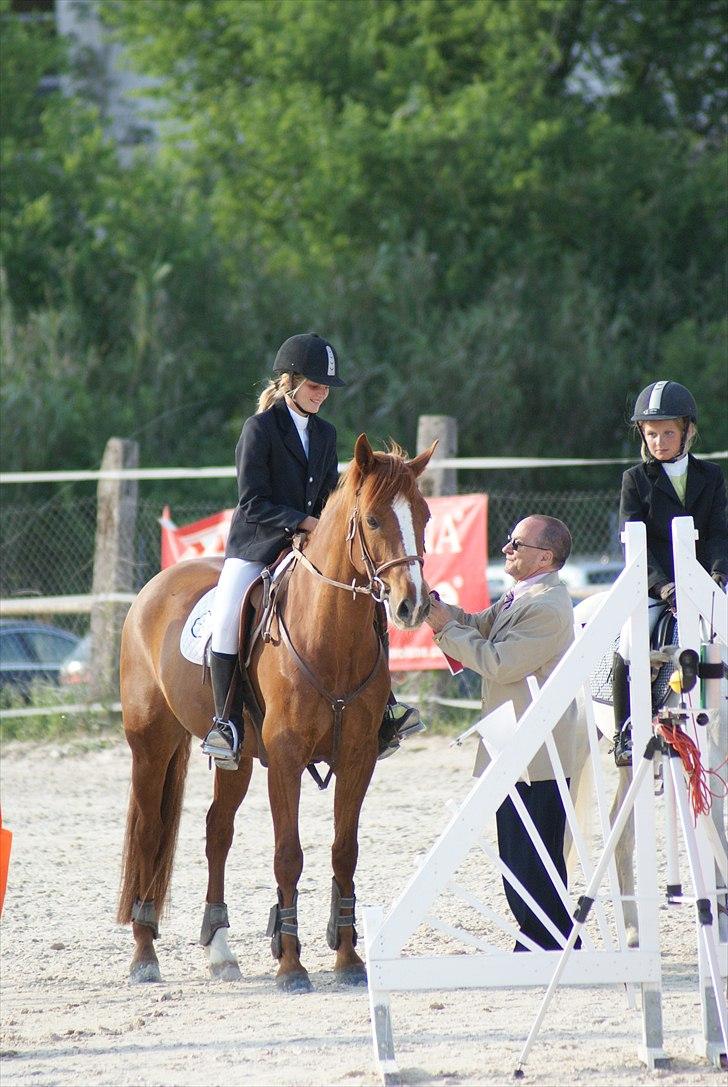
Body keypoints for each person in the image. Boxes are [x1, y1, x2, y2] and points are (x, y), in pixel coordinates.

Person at [202, 331, 423, 768]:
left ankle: (387, 707)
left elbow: (326, 493)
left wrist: (324, 528)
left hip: (311, 544)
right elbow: (252, 500)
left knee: (368, 600)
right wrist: (306, 523)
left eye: (325, 388)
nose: (322, 394)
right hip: (259, 542)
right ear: (291, 383)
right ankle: (225, 722)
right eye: (315, 386)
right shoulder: (260, 429)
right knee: (227, 613)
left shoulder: (325, 433)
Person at [425, 515, 582, 951]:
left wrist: (443, 628)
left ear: (545, 557)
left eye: (517, 544)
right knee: (516, 857)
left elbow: (500, 662)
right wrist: (438, 610)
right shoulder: (524, 594)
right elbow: (479, 626)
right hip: (515, 745)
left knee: (535, 861)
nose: (506, 549)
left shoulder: (549, 605)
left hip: (539, 754)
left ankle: (551, 943)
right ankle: (540, 940)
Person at [612, 380, 728, 766]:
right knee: (631, 639)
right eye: (651, 434)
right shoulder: (635, 480)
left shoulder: (711, 477)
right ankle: (626, 730)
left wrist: (714, 575)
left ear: (687, 432)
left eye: (668, 433)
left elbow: (717, 533)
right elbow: (635, 544)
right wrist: (664, 588)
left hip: (705, 580)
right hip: (653, 583)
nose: (659, 441)